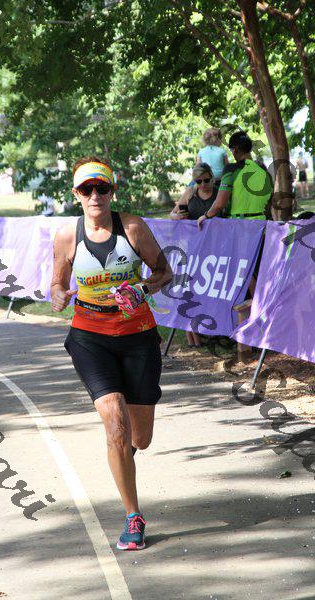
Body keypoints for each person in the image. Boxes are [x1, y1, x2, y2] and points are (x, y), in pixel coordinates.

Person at [51, 157, 172, 551]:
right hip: (90, 338)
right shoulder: (67, 237)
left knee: (141, 437)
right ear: (76, 195)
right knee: (115, 423)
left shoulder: (132, 228)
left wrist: (143, 289)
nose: (95, 196)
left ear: (111, 191)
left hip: (137, 337)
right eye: (86, 189)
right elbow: (57, 284)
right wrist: (59, 296)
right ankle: (133, 516)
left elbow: (165, 272)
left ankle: (123, 455)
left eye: (101, 188)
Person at [171, 162, 221, 348]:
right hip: (194, 247)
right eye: (198, 181)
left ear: (212, 177)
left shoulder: (219, 193)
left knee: (213, 289)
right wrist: (178, 217)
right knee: (192, 289)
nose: (203, 185)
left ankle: (213, 330)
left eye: (206, 180)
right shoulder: (190, 193)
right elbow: (173, 214)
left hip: (217, 247)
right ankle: (194, 335)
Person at [197, 131, 273, 229]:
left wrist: (206, 216)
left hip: (237, 226)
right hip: (260, 226)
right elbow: (270, 202)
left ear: (235, 149)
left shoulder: (231, 170)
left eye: (231, 150)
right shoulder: (265, 172)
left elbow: (220, 204)